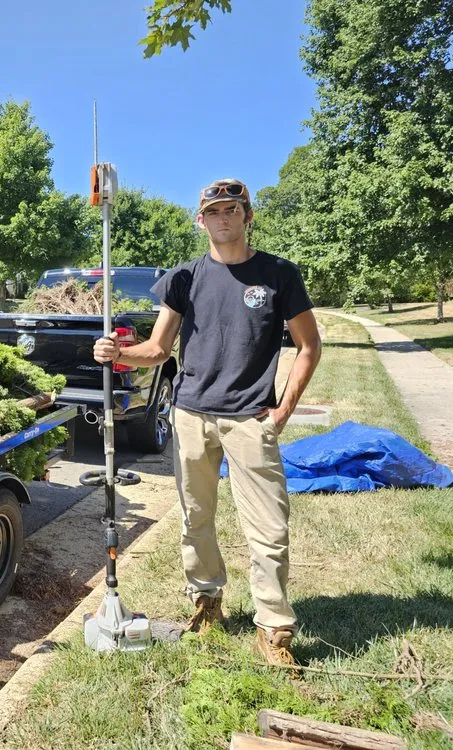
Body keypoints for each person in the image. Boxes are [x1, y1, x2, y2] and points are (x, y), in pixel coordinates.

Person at [93, 178, 322, 667]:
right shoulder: (185, 277)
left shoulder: (278, 274)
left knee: (268, 527)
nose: (223, 218)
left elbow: (309, 346)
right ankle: (206, 601)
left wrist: (282, 411)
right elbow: (158, 349)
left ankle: (273, 630)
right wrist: (118, 353)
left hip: (250, 419)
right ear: (201, 221)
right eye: (213, 211)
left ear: (247, 216)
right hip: (191, 415)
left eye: (232, 209)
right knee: (195, 518)